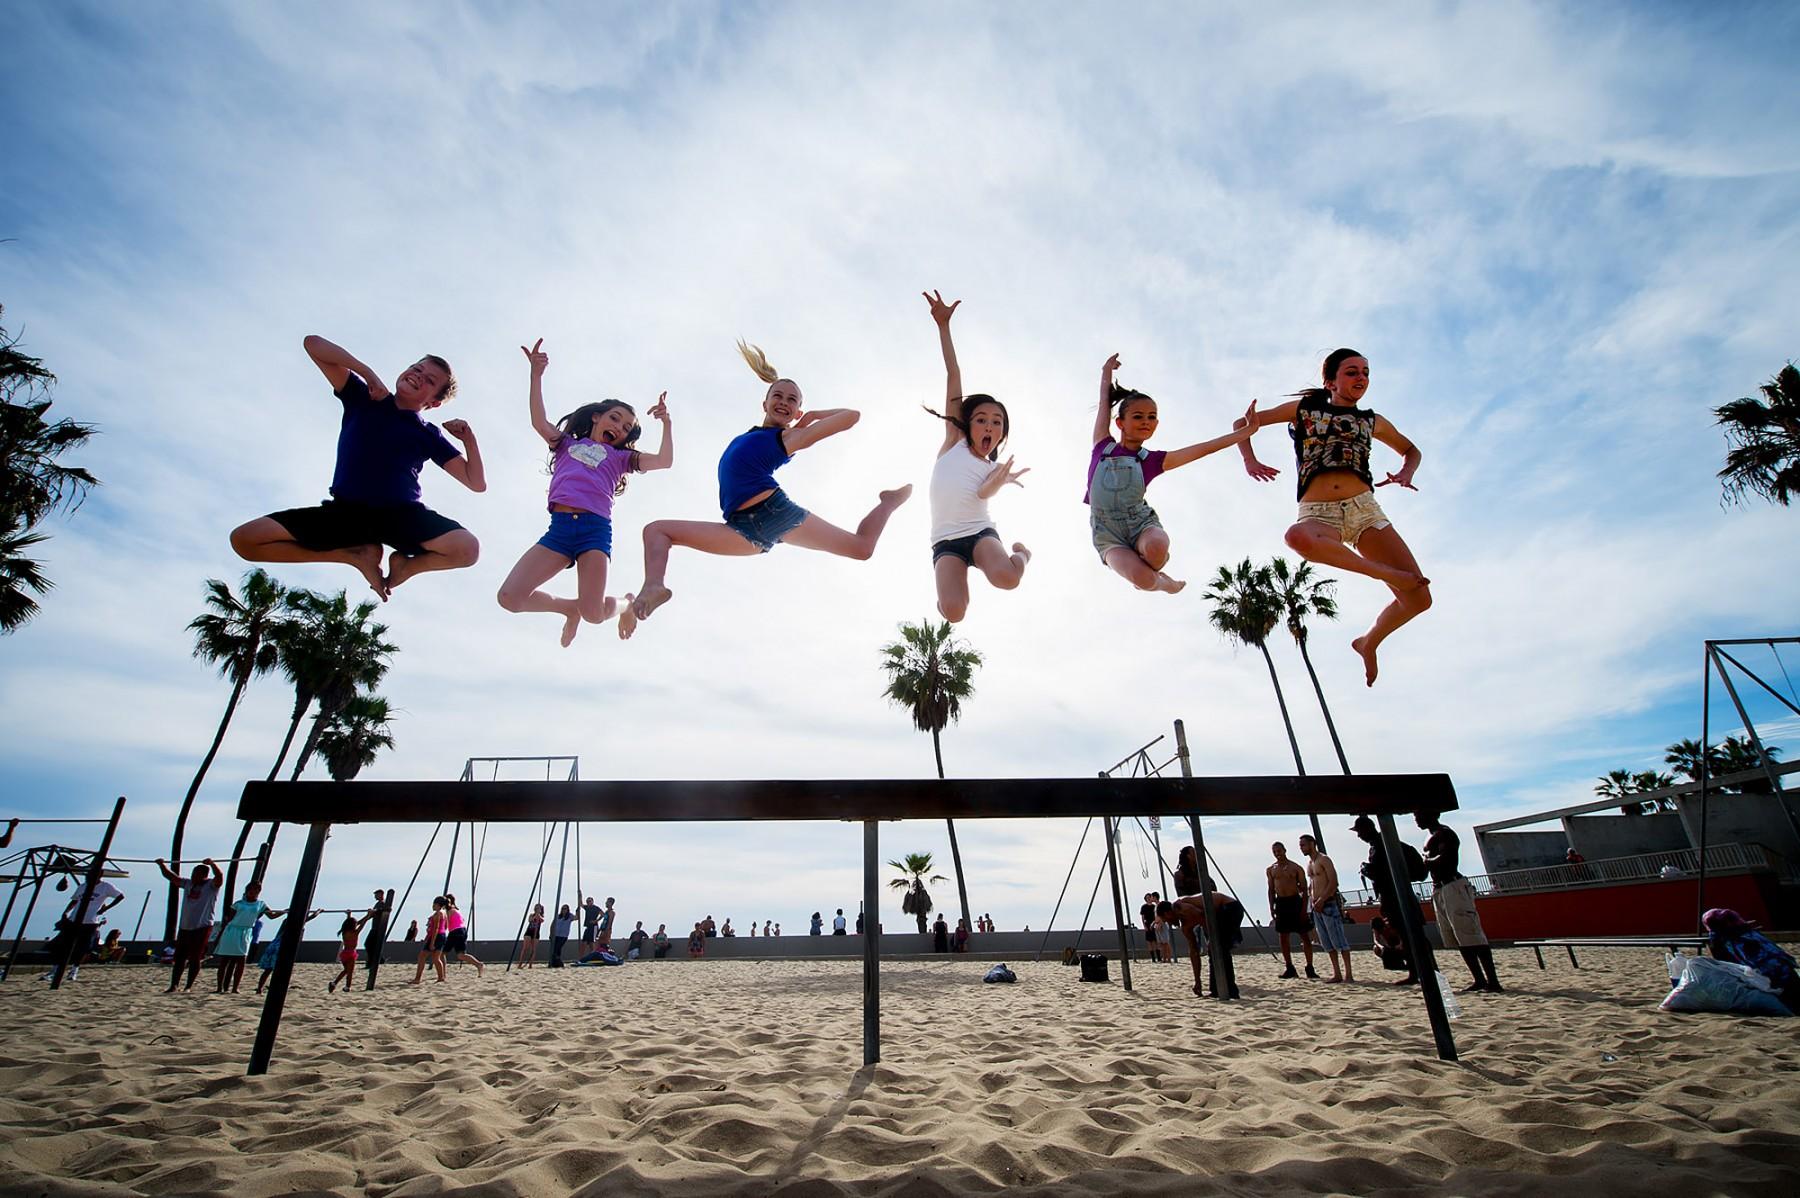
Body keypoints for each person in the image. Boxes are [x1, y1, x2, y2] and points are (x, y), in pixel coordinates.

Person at [619, 341, 911, 637]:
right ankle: (651, 588)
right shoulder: (754, 435)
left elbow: (852, 416)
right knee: (656, 530)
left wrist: (810, 417)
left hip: (774, 512)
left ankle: (888, 503)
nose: (784, 402)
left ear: (797, 410)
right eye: (778, 396)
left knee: (861, 549)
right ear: (765, 403)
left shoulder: (787, 439)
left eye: (792, 400)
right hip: (742, 531)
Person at [229, 336, 482, 601]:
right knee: (245, 540)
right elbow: (312, 344)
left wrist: (469, 440)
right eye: (417, 369)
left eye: (430, 380)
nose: (419, 376)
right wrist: (367, 374)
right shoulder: (364, 397)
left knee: (467, 549)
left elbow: (475, 482)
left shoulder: (428, 434)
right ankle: (351, 554)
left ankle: (407, 566)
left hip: (401, 515)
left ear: (434, 402)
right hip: (346, 512)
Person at [1236, 348, 1431, 686]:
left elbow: (1411, 450)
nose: (1361, 379)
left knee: (1419, 599)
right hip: (1318, 513)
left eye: (1366, 373)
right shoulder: (1304, 409)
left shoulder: (1372, 420)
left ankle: (1368, 642)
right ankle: (1380, 573)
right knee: (1296, 537)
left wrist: (1406, 472)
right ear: (1331, 380)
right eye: (1352, 372)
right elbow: (1244, 423)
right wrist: (1249, 460)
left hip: (1364, 509)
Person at [497, 340, 673, 646]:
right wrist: (536, 374)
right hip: (560, 531)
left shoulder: (621, 459)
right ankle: (567, 608)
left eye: (627, 427)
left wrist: (667, 423)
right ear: (597, 417)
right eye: (615, 418)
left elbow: (664, 461)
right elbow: (539, 421)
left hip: (594, 531)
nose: (619, 427)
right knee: (509, 597)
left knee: (593, 613)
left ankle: (626, 604)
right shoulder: (565, 444)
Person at [1086, 354, 1256, 594]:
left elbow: (1204, 449)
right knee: (1143, 580)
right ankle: (1164, 582)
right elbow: (1104, 402)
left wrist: (1246, 431)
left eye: (1151, 417)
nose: (1146, 422)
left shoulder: (1152, 460)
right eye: (1138, 416)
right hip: (1107, 533)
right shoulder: (1103, 445)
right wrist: (1106, 371)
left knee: (1156, 546)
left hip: (1140, 524)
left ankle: (1152, 562)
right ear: (1120, 422)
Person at [920, 291, 1031, 622]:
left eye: (996, 423)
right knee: (953, 613)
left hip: (980, 534)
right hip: (946, 542)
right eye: (981, 419)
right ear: (967, 423)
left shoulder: (994, 467)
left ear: (1001, 434)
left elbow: (983, 493)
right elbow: (953, 374)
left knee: (1007, 579)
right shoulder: (953, 441)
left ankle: (1023, 554)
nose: (989, 426)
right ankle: (948, 598)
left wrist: (997, 481)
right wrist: (943, 326)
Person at [1415, 812, 1502, 993]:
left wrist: (1427, 861)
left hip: (1453, 885)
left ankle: (1492, 980)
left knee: (1471, 933)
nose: (1416, 819)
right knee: (1458, 936)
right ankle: (1479, 979)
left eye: (1419, 815)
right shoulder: (1429, 836)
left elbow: (1447, 859)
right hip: (1439, 888)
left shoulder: (1444, 833)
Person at [1352, 815, 1427, 985]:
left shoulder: (1382, 845)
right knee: (1406, 933)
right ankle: (1418, 970)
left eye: (1360, 832)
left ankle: (1419, 971)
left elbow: (1384, 872)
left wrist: (1368, 870)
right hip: (1392, 895)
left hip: (1395, 895)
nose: (1359, 836)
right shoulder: (1381, 845)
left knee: (1409, 933)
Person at [1703, 908, 1800, 1013]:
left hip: (1774, 977)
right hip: (1784, 972)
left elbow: (1730, 963)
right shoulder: (1749, 935)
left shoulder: (1736, 941)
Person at [156, 856, 223, 993]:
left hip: (202, 926)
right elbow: (172, 877)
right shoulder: (188, 884)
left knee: (195, 957)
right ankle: (174, 985)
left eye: (196, 874)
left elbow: (220, 876)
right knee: (180, 957)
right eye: (193, 873)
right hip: (185, 927)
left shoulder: (211, 886)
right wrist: (162, 865)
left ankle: (188, 986)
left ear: (204, 875)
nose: (193, 876)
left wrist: (212, 864)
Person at [1159, 892, 1244, 999]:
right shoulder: (1185, 927)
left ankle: (1231, 991)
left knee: (1220, 949)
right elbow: (1194, 952)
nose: (1169, 924)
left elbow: (1204, 917)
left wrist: (1211, 939)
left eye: (1166, 920)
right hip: (1217, 913)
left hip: (1229, 907)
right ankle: (1216, 990)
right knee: (1215, 950)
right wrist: (1197, 981)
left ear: (1167, 913)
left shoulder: (1181, 907)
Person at [45, 877, 124, 981]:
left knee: (82, 948)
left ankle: (74, 971)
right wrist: (66, 911)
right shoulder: (83, 886)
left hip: (90, 922)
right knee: (64, 946)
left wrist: (106, 908)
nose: (88, 877)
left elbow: (120, 896)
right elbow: (74, 900)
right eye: (87, 875)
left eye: (90, 875)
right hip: (74, 919)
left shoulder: (105, 886)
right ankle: (55, 970)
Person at [1299, 834, 1352, 983]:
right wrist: (1313, 902)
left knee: (1339, 940)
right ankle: (1337, 973)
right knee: (1326, 942)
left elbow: (1333, 882)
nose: (1302, 848)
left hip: (1328, 903)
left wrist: (1322, 899)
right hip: (1316, 906)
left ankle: (1348, 973)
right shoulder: (1310, 863)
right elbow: (1311, 885)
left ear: (1311, 844)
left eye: (1303, 845)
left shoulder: (1324, 860)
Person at [214, 882, 284, 993]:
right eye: (251, 890)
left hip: (246, 931)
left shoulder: (261, 904)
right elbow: (228, 921)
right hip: (232, 931)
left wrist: (285, 911)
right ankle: (219, 987)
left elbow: (271, 916)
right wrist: (219, 936)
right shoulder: (238, 904)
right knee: (225, 961)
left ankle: (235, 988)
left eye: (256, 890)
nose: (252, 892)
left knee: (241, 960)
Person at [1266, 842, 1317, 980]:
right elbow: (1271, 890)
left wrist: (1304, 909)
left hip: (1295, 901)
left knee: (1304, 936)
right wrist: (1271, 907)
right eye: (1275, 851)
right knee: (1283, 937)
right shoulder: (1271, 869)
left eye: (1279, 850)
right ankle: (1289, 967)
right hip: (1281, 903)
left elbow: (1305, 890)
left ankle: (1310, 967)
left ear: (1284, 850)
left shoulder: (1296, 868)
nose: (1277, 853)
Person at [327, 909, 375, 994]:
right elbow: (362, 924)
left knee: (346, 970)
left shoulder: (344, 932)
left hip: (344, 954)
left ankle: (334, 983)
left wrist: (349, 915)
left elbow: (352, 923)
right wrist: (368, 915)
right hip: (351, 954)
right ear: (353, 925)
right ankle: (347, 987)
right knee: (350, 972)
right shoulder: (355, 933)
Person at [442, 894, 484, 976]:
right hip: (462, 931)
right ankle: (478, 964)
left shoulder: (449, 911)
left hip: (455, 932)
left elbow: (445, 925)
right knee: (461, 955)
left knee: (442, 953)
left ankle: (442, 973)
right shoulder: (456, 910)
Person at [412, 897, 449, 984]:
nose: (432, 906)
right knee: (436, 958)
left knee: (422, 956)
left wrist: (432, 942)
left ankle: (417, 978)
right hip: (442, 935)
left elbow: (435, 929)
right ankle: (441, 977)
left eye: (434, 904)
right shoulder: (444, 913)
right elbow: (445, 927)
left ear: (438, 905)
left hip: (436, 936)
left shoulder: (437, 914)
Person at [362, 888, 393, 983]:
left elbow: (386, 910)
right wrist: (361, 921)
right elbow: (371, 915)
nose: (375, 896)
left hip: (378, 929)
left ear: (381, 894)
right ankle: (379, 960)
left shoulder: (382, 904)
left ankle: (372, 962)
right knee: (372, 945)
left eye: (376, 894)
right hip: (375, 928)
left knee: (368, 944)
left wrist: (373, 912)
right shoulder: (378, 904)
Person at [549, 903, 574, 968]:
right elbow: (553, 924)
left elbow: (577, 917)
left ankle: (559, 963)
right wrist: (551, 933)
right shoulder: (558, 916)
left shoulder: (570, 916)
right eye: (562, 909)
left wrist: (578, 910)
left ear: (568, 910)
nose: (564, 910)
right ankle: (555, 963)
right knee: (555, 949)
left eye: (565, 909)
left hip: (563, 936)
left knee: (557, 948)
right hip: (556, 935)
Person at [521, 903, 545, 968]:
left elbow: (542, 920)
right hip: (529, 932)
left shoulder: (541, 916)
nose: (537, 909)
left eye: (538, 908)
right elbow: (530, 920)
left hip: (536, 933)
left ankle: (530, 964)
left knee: (533, 949)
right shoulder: (531, 915)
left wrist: (538, 915)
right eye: (536, 908)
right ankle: (520, 963)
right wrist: (535, 916)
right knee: (525, 948)